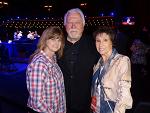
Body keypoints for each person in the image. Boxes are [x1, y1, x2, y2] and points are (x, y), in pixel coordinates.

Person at [58, 8, 99, 113]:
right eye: (70, 22)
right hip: (60, 104)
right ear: (65, 25)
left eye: (77, 22)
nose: (73, 26)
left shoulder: (95, 45)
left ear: (83, 25)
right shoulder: (55, 45)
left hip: (86, 105)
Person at [91, 26, 133, 113]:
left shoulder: (121, 60)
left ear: (111, 42)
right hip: (97, 109)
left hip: (111, 109)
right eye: (98, 41)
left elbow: (124, 94)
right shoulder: (99, 62)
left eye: (105, 40)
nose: (100, 44)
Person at [26, 26, 66, 113]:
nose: (56, 43)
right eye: (53, 39)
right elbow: (37, 103)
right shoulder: (39, 64)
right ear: (45, 40)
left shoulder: (53, 59)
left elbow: (59, 93)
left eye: (59, 40)